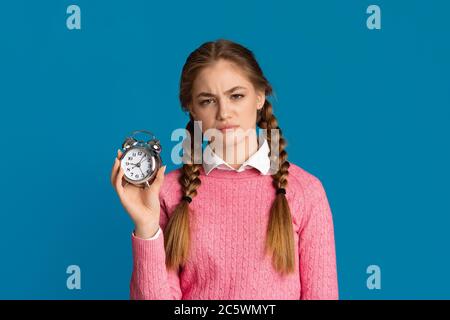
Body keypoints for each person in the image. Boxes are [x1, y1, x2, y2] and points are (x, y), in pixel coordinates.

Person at [110, 39, 338, 300]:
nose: (224, 112)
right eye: (208, 101)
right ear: (192, 110)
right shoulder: (169, 192)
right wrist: (146, 226)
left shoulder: (305, 191)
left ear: (260, 97)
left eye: (236, 96)